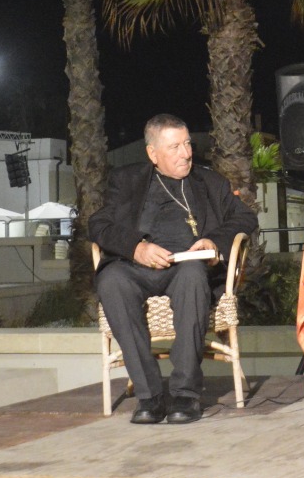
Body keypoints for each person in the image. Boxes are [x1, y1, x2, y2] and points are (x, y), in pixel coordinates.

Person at [89, 114, 257, 425]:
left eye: (187, 144)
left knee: (193, 276)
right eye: (175, 147)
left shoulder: (210, 182)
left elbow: (246, 218)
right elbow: (98, 224)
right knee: (111, 281)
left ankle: (185, 394)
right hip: (136, 267)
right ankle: (150, 396)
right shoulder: (126, 182)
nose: (186, 153)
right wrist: (136, 247)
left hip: (187, 268)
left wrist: (213, 242)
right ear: (153, 153)